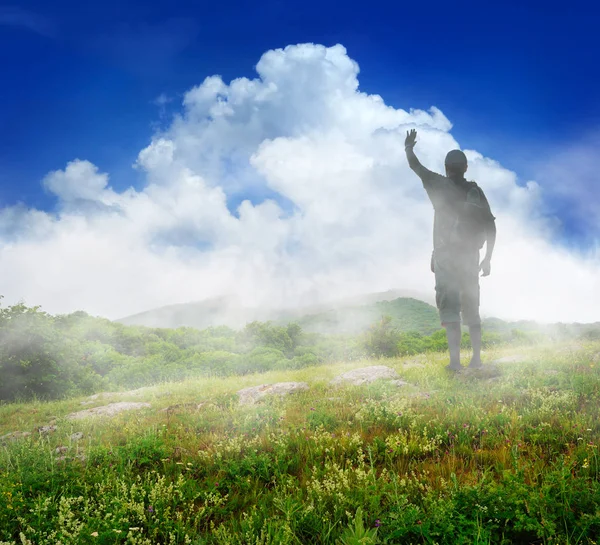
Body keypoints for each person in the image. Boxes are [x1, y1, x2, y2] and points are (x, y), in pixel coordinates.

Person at [404, 129, 496, 371]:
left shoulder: (437, 184)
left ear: (446, 168)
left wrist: (409, 148)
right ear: (465, 168)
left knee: (450, 308)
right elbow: (490, 225)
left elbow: (416, 167)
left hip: (445, 258)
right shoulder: (475, 192)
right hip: (469, 258)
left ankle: (455, 363)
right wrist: (487, 259)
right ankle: (476, 359)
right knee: (471, 306)